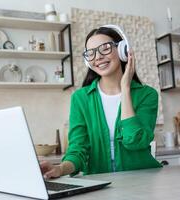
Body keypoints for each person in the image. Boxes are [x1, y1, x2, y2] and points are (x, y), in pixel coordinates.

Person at [40, 25, 162, 179]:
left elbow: (134, 142)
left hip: (142, 181)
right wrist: (61, 169)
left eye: (105, 48)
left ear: (122, 50)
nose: (97, 57)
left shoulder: (147, 95)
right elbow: (78, 149)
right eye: (90, 53)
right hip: (101, 185)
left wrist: (125, 88)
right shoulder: (81, 98)